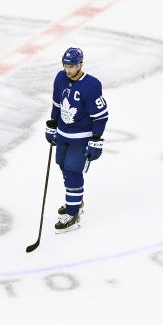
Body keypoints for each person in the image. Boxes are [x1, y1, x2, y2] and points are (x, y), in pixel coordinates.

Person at [44, 47, 108, 233]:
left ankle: (72, 214)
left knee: (73, 171)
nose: (68, 70)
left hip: (81, 138)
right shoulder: (60, 78)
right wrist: (52, 124)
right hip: (63, 134)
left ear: (81, 64)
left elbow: (101, 116)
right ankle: (76, 201)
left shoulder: (91, 85)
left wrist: (96, 140)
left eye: (72, 66)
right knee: (62, 165)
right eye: (66, 66)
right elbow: (56, 104)